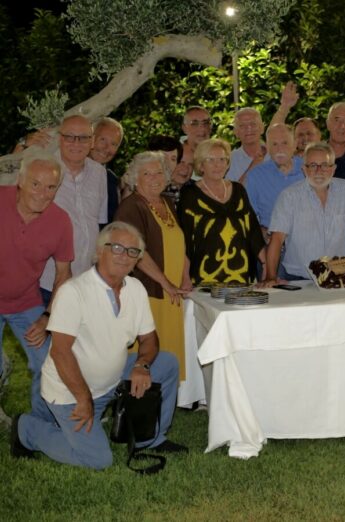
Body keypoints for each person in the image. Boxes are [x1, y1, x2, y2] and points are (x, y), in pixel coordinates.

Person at [13, 222, 187, 467]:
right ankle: (27, 428)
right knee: (97, 459)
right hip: (72, 392)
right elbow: (61, 353)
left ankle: (150, 438)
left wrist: (142, 365)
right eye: (116, 248)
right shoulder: (74, 292)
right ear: (99, 251)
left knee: (166, 363)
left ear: (138, 259)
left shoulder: (135, 288)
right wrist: (84, 399)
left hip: (112, 380)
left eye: (132, 251)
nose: (124, 256)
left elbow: (149, 339)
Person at [0, 152, 73, 420]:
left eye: (51, 187)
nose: (43, 194)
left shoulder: (60, 221)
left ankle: (39, 421)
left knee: (48, 362)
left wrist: (47, 317)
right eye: (36, 184)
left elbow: (64, 274)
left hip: (26, 302)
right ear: (20, 181)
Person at [114, 151, 192, 382]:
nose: (155, 178)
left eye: (159, 172)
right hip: (147, 292)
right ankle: (140, 394)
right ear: (135, 178)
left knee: (168, 350)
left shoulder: (167, 202)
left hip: (171, 292)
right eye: (147, 173)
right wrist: (165, 283)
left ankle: (165, 392)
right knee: (148, 348)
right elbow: (136, 252)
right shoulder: (131, 207)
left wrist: (185, 275)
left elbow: (178, 242)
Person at [259, 141, 345, 284]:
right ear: (304, 169)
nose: (319, 171)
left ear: (333, 168)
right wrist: (271, 277)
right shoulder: (289, 196)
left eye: (324, 165)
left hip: (339, 276)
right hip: (298, 277)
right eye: (313, 165)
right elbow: (277, 239)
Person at [39, 115, 108, 305]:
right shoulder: (43, 169)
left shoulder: (99, 173)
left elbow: (98, 222)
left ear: (92, 142)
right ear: (59, 139)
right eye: (69, 136)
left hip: (85, 280)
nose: (76, 143)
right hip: (46, 280)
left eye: (83, 137)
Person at [179, 138, 265, 285]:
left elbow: (253, 232)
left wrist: (266, 265)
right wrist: (184, 277)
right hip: (203, 277)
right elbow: (184, 240)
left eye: (222, 159)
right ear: (201, 165)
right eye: (210, 160)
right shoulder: (189, 194)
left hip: (241, 275)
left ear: (227, 163)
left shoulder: (238, 190)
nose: (217, 164)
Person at [246, 123, 305, 237]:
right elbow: (249, 216)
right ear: (267, 147)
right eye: (274, 144)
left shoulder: (309, 169)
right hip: (271, 239)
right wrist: (262, 234)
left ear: (295, 144)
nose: (279, 149)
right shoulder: (256, 176)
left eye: (285, 143)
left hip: (306, 238)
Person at [89, 117, 124, 223]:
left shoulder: (112, 181)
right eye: (103, 139)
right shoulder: (65, 170)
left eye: (113, 144)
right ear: (90, 138)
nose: (106, 148)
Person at [225, 107, 268, 184]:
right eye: (242, 125)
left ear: (262, 128)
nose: (248, 128)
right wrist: (253, 166)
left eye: (253, 124)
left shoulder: (275, 154)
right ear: (236, 132)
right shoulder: (229, 160)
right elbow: (232, 190)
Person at [147, 135, 191, 208]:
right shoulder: (136, 186)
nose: (168, 163)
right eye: (163, 157)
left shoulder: (174, 191)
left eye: (173, 159)